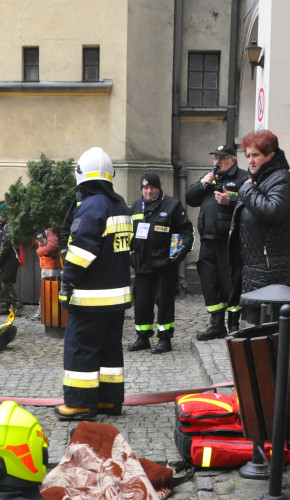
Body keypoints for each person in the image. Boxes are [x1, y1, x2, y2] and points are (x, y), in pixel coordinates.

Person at [55, 146, 132, 421]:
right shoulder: (119, 203)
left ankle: (78, 403)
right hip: (116, 296)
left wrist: (67, 280)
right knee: (110, 349)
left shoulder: (90, 206)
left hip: (91, 297)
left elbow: (83, 251)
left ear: (81, 176)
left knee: (81, 347)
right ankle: (110, 401)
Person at [230, 129, 290, 318]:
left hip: (277, 274)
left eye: (255, 155)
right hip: (257, 272)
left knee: (275, 336)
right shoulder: (257, 181)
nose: (250, 160)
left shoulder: (281, 178)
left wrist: (248, 190)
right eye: (248, 155)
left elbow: (273, 212)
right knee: (258, 337)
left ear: (271, 155)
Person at [185, 143, 250, 340]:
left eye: (221, 158)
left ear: (233, 160)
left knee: (230, 282)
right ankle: (216, 324)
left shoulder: (243, 178)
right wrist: (202, 183)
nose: (217, 162)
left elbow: (250, 200)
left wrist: (229, 199)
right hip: (208, 240)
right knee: (209, 283)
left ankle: (233, 324)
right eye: (215, 158)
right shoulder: (210, 177)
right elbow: (190, 198)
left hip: (229, 241)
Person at [127, 171, 193, 354]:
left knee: (164, 304)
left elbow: (186, 230)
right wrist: (129, 255)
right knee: (141, 304)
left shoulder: (172, 205)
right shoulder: (134, 207)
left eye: (152, 188)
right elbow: (125, 233)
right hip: (141, 266)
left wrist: (182, 250)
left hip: (163, 266)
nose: (148, 191)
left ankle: (165, 340)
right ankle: (143, 337)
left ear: (158, 188)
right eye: (145, 188)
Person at [0, 202, 21, 316]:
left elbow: (4, 248)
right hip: (5, 261)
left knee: (6, 285)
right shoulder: (4, 226)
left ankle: (18, 305)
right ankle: (4, 307)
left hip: (8, 261)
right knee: (1, 283)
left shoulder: (8, 227)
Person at [34, 225, 61, 321]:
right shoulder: (45, 231)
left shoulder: (51, 231)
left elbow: (51, 247)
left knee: (50, 291)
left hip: (52, 266)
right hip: (46, 266)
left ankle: (50, 314)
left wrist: (39, 251)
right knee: (45, 290)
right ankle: (43, 312)